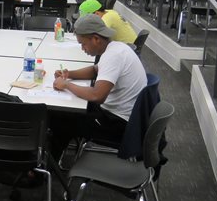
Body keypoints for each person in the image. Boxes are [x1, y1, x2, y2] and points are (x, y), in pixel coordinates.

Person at [49, 14, 147, 157]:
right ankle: (54, 156)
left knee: (59, 120)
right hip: (126, 116)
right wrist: (68, 74)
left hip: (118, 124)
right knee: (67, 114)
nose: (83, 49)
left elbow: (97, 95)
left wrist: (66, 85)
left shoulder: (112, 57)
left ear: (96, 39)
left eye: (83, 44)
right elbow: (95, 71)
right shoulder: (116, 47)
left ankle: (50, 164)